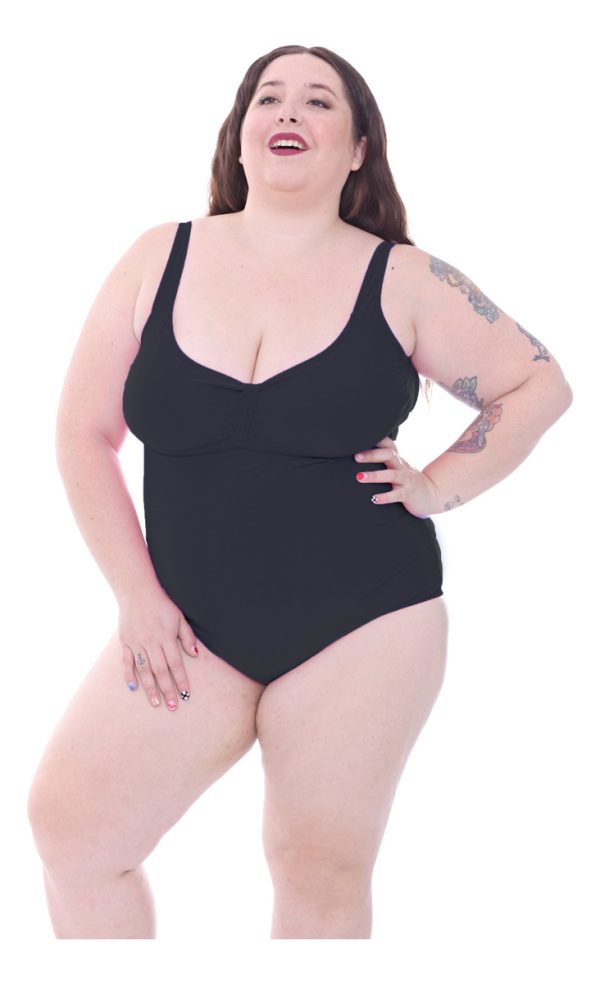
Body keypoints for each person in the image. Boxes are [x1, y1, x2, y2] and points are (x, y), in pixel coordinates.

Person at [26, 43, 573, 940]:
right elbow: (83, 435)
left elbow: (538, 382)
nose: (289, 111)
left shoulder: (404, 277)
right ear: (241, 135)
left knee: (318, 867)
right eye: (269, 98)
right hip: (185, 625)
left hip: (366, 623)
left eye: (319, 101)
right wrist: (137, 598)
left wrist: (439, 486)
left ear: (357, 148)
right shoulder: (158, 257)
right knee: (74, 832)